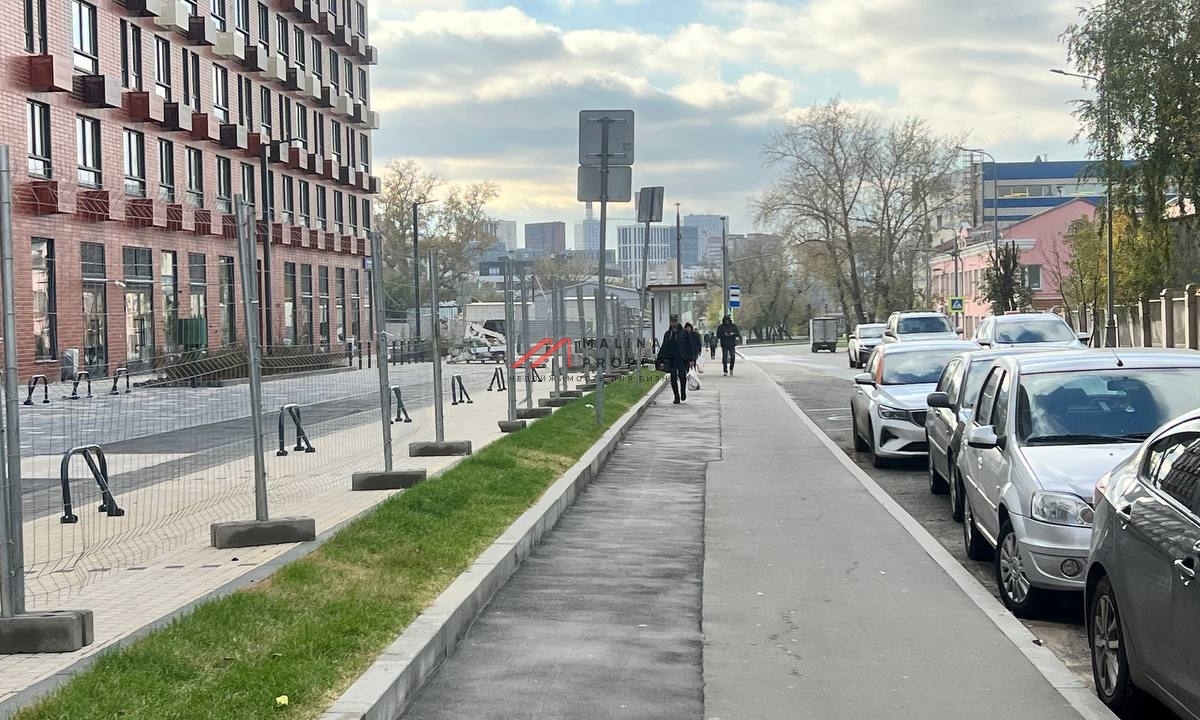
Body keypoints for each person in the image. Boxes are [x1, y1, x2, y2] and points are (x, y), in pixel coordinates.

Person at [657, 314, 690, 404]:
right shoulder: (668, 334)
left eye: (675, 320)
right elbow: (664, 347)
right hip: (671, 359)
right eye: (672, 321)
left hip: (682, 358)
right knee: (673, 377)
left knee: (682, 376)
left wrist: (691, 359)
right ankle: (676, 396)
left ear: (677, 321)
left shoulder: (684, 332)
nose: (673, 322)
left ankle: (683, 392)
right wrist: (661, 359)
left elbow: (689, 345)